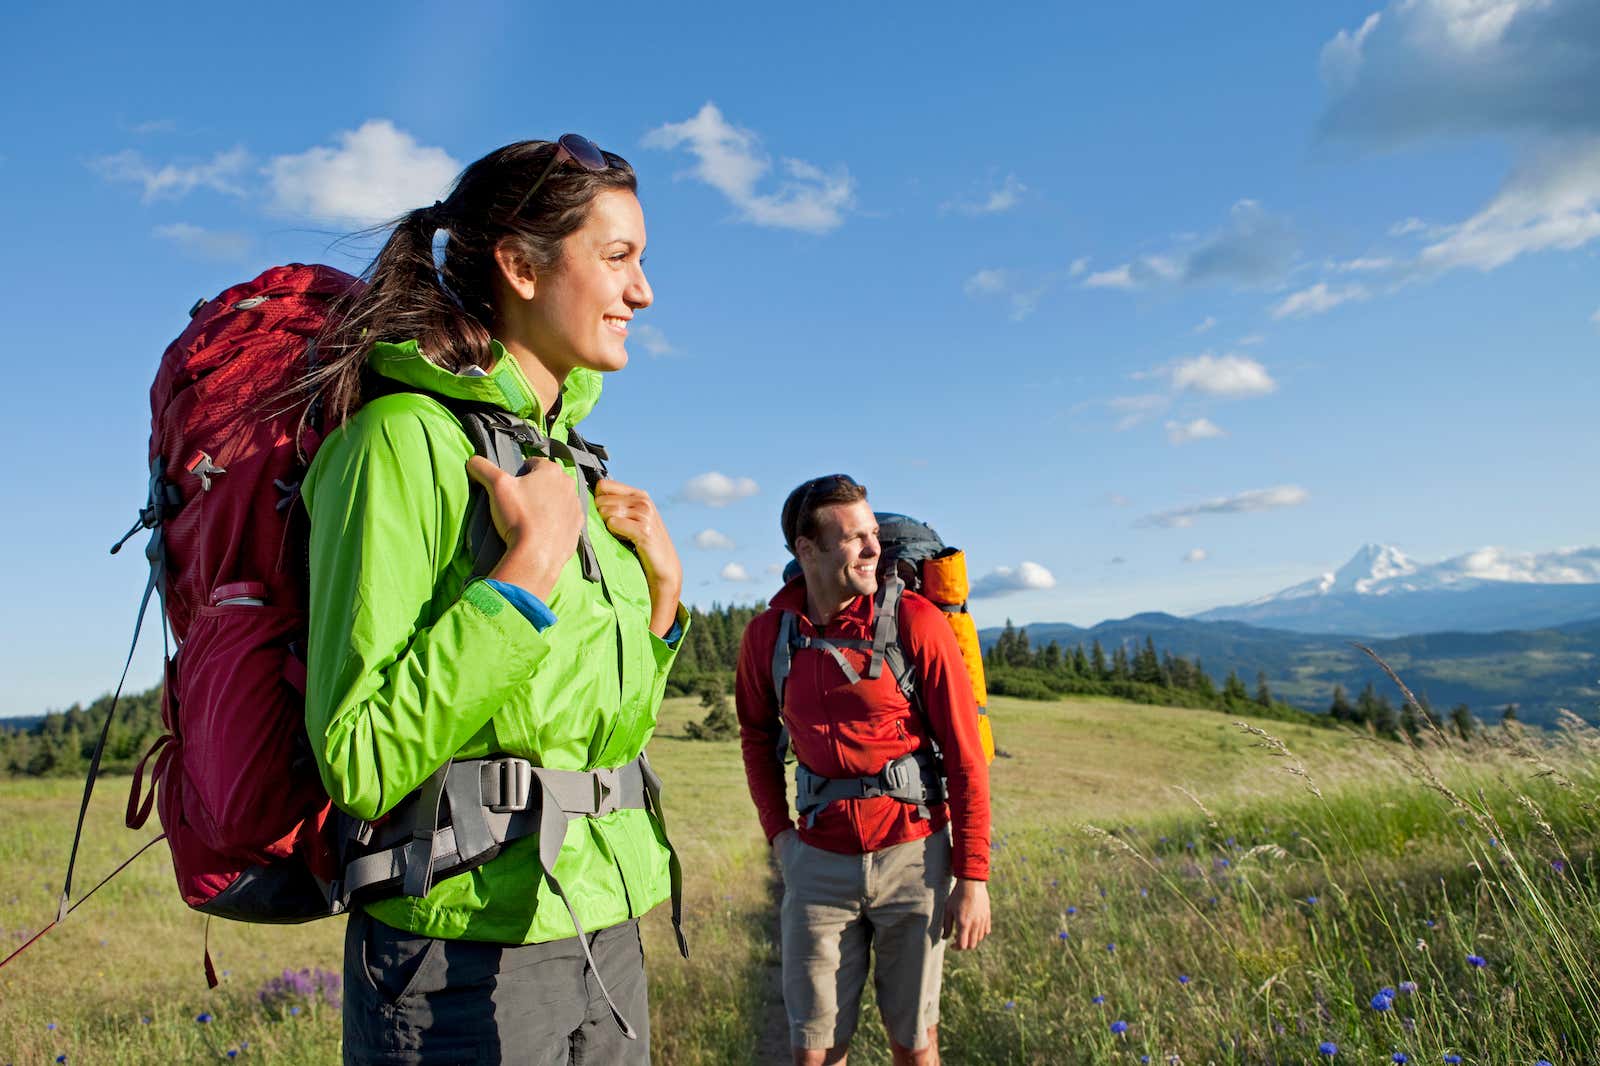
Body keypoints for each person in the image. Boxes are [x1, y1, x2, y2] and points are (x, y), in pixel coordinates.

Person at [300, 135, 688, 1065]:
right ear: (519, 264)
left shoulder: (570, 464)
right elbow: (358, 758)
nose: (642, 293)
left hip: (602, 922)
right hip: (463, 953)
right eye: (618, 258)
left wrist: (664, 605)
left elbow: (594, 734)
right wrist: (524, 578)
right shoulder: (397, 444)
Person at [735, 474, 993, 1066]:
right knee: (816, 1052)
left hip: (915, 859)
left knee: (915, 1044)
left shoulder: (917, 622)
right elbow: (755, 734)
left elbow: (964, 756)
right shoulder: (768, 636)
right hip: (818, 863)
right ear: (807, 550)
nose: (873, 549)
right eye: (854, 538)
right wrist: (780, 837)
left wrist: (972, 877)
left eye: (874, 533)